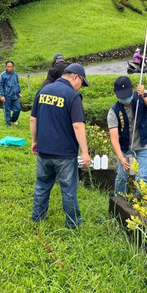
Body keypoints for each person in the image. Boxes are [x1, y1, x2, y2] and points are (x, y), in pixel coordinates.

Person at [30, 63, 91, 229]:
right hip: (64, 153)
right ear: (75, 77)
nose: (80, 88)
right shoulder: (72, 96)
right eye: (82, 83)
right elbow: (78, 125)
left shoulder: (43, 91)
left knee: (42, 185)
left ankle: (37, 217)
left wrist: (35, 141)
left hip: (44, 151)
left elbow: (33, 119)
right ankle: (73, 223)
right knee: (68, 189)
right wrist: (85, 152)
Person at [107, 76, 147, 196]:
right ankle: (119, 203)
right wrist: (121, 158)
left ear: (132, 90)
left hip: (145, 145)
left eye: (127, 95)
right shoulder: (114, 112)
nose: (125, 99)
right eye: (122, 97)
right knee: (121, 177)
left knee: (142, 178)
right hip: (126, 148)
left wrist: (144, 96)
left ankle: (141, 207)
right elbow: (114, 139)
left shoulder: (144, 95)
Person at [0, 60, 22, 126]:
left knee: (18, 109)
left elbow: (17, 84)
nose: (9, 68)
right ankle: (8, 124)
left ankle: (13, 120)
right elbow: (0, 85)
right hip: (7, 96)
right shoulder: (3, 75)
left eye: (11, 67)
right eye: (8, 67)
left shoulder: (15, 74)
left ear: (13, 67)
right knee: (7, 111)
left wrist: (19, 92)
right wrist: (1, 95)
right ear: (6, 67)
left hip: (15, 95)